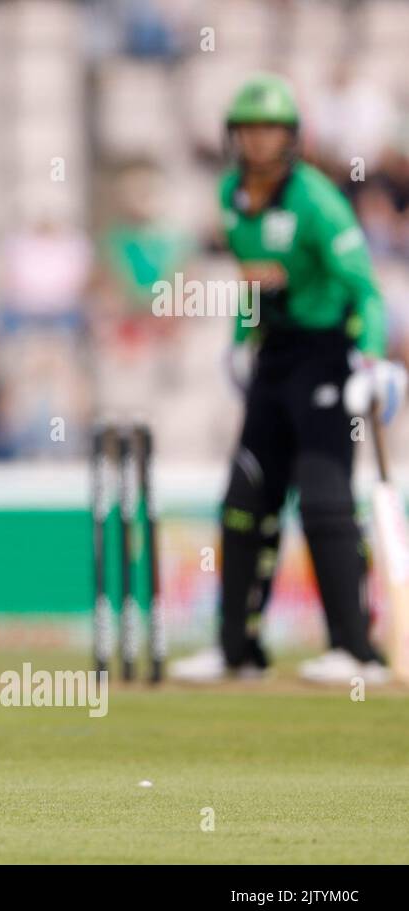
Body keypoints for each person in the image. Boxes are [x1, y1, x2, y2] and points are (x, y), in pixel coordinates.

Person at [171, 75, 407, 685]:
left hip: (327, 357)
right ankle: (237, 651)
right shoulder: (231, 195)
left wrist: (375, 358)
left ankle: (354, 652)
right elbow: (253, 279)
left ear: (292, 138)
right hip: (273, 360)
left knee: (325, 499)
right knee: (245, 503)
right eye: (247, 129)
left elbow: (365, 288)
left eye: (269, 129)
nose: (257, 142)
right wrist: (237, 340)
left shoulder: (317, 200)